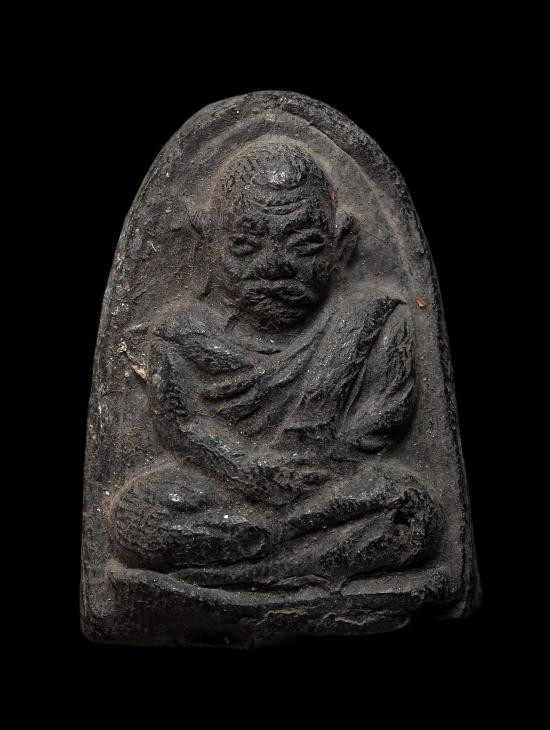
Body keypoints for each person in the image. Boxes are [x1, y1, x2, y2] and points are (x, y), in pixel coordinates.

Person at [109, 141, 439, 588]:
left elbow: (384, 421)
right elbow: (180, 427)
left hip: (324, 487)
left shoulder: (374, 321)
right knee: (136, 516)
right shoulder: (179, 334)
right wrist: (245, 471)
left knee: (410, 509)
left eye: (304, 245)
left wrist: (311, 467)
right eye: (245, 246)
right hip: (227, 485)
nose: (275, 266)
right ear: (207, 244)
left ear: (340, 245)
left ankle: (263, 567)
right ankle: (284, 555)